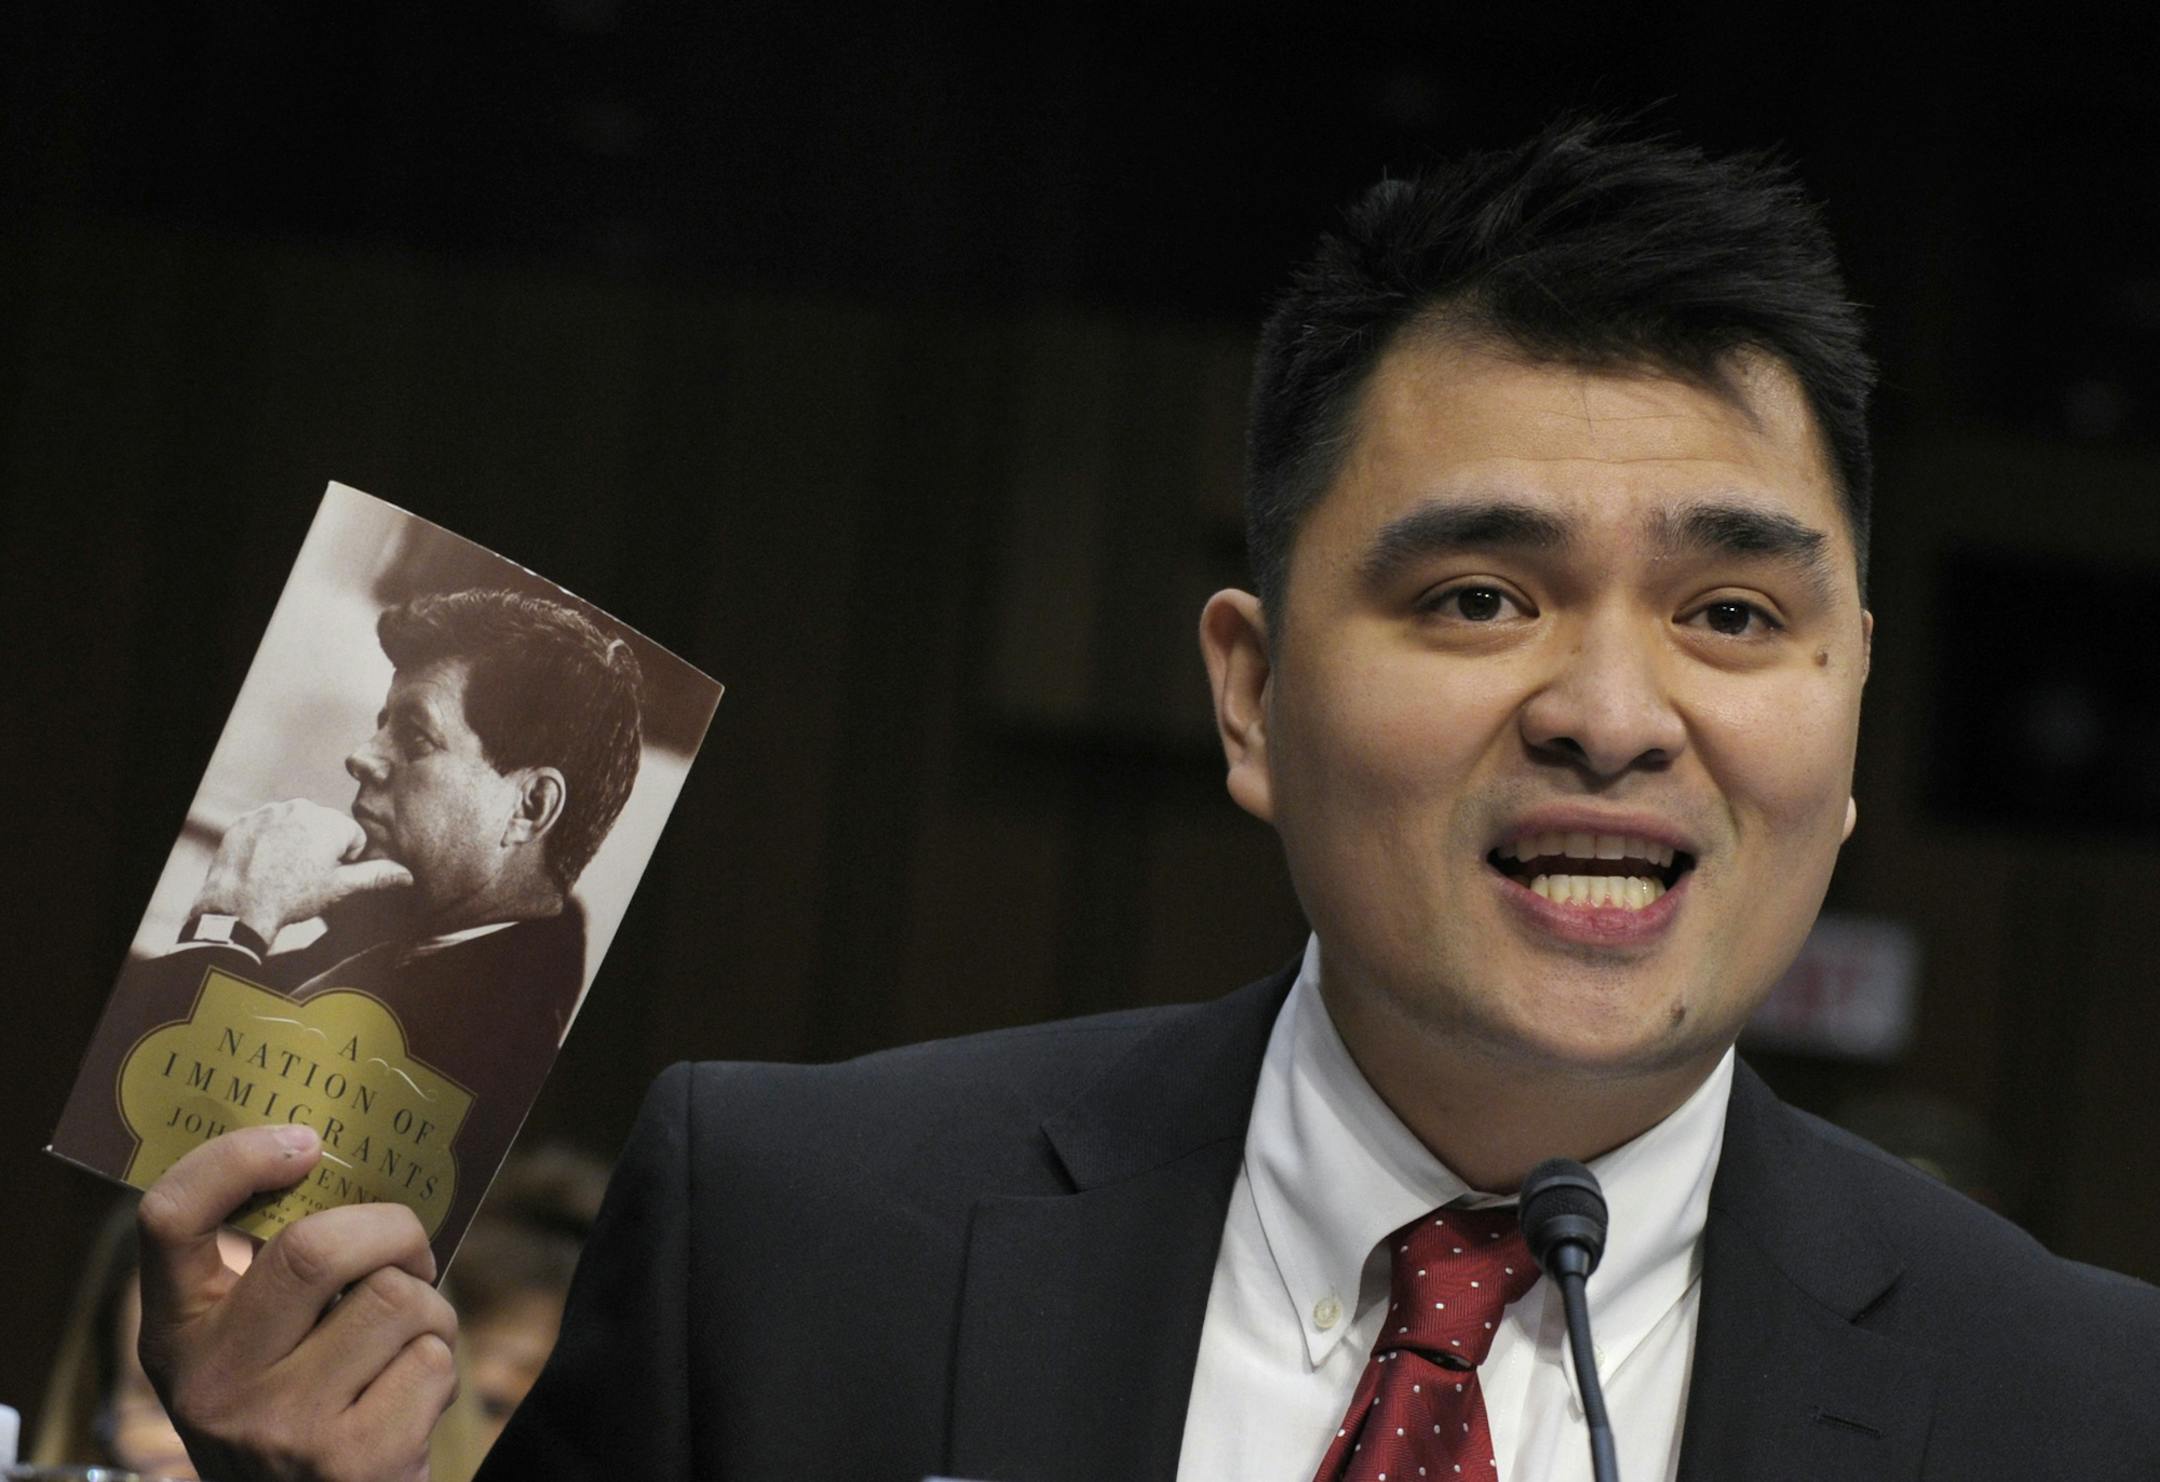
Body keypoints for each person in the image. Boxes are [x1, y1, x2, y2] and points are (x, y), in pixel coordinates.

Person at [131, 118, 2160, 1481]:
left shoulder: (2080, 1410)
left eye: (1731, 610)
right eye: (1479, 595)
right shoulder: (792, 1239)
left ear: (1851, 701)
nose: (1613, 714)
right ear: (1255, 693)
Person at [55, 586, 644, 1262]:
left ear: (530, 806)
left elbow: (134, 1127)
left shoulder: (506, 1048)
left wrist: (233, 920)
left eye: (415, 736)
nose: (361, 757)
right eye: (380, 722)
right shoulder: (395, 936)